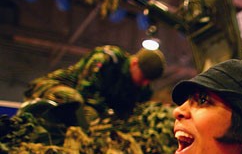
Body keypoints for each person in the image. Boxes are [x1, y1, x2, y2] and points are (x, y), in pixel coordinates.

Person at [22, 45, 165, 124]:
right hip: (54, 87)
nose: (144, 83)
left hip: (89, 104)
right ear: (134, 63)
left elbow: (129, 113)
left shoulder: (140, 87)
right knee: (77, 103)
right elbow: (86, 92)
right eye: (143, 77)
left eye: (149, 80)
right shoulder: (108, 59)